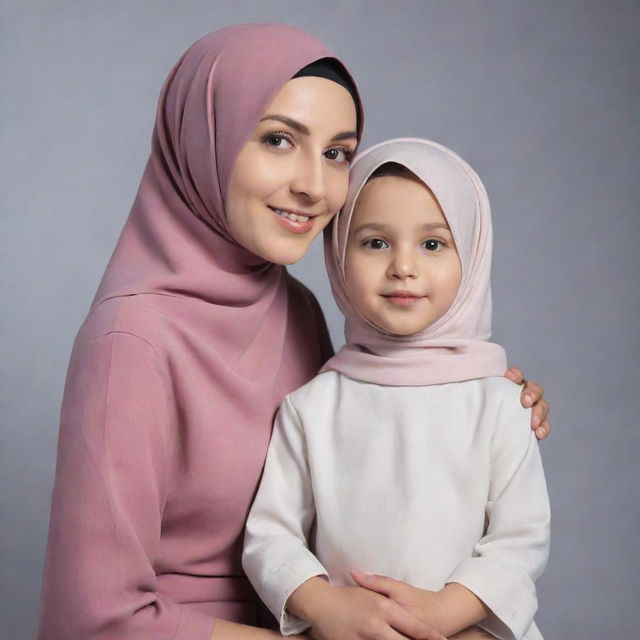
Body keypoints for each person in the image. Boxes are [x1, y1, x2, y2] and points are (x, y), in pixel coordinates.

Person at [36, 23, 550, 640]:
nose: (313, 185)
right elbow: (96, 621)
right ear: (206, 141)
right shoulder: (132, 342)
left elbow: (351, 469)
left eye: (336, 152)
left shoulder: (300, 310)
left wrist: (471, 394)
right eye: (279, 140)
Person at [242, 139, 550, 640]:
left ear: (471, 255)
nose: (403, 267)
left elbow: (521, 538)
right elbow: (270, 534)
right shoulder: (313, 407)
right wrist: (324, 606)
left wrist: (444, 613)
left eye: (432, 244)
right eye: (375, 242)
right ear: (339, 254)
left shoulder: (500, 403)